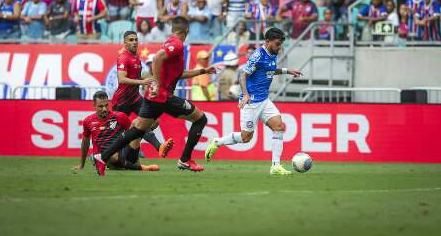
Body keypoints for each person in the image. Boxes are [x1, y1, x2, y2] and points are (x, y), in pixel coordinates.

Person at [93, 16, 217, 175]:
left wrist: (202, 71)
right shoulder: (177, 45)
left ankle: (102, 156)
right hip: (163, 96)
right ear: (187, 30)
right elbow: (158, 58)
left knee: (137, 130)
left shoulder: (169, 42)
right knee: (200, 119)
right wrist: (158, 84)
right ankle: (185, 160)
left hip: (153, 97)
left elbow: (178, 73)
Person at [205, 27, 301, 175]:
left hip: (264, 99)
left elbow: (268, 70)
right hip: (251, 102)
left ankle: (275, 166)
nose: (279, 47)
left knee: (279, 126)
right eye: (277, 44)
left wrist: (287, 71)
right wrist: (245, 95)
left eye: (281, 44)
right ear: (267, 41)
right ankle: (217, 142)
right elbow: (243, 74)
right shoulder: (257, 55)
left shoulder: (272, 53)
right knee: (245, 138)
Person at [111, 31, 174, 163]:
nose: (134, 42)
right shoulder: (123, 57)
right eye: (131, 40)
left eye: (136, 39)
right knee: (115, 132)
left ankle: (155, 145)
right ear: (125, 43)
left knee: (153, 121)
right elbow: (122, 79)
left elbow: (137, 77)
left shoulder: (136, 57)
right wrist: (142, 82)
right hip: (122, 100)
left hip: (135, 98)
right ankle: (104, 154)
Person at [74, 91, 160, 172]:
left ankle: (139, 162)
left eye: (106, 105)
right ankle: (141, 168)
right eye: (101, 106)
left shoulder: (120, 116)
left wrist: (137, 160)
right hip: (106, 157)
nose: (104, 109)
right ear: (94, 106)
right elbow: (85, 142)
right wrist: (82, 164)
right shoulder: (88, 121)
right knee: (112, 156)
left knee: (136, 124)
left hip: (124, 153)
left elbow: (133, 135)